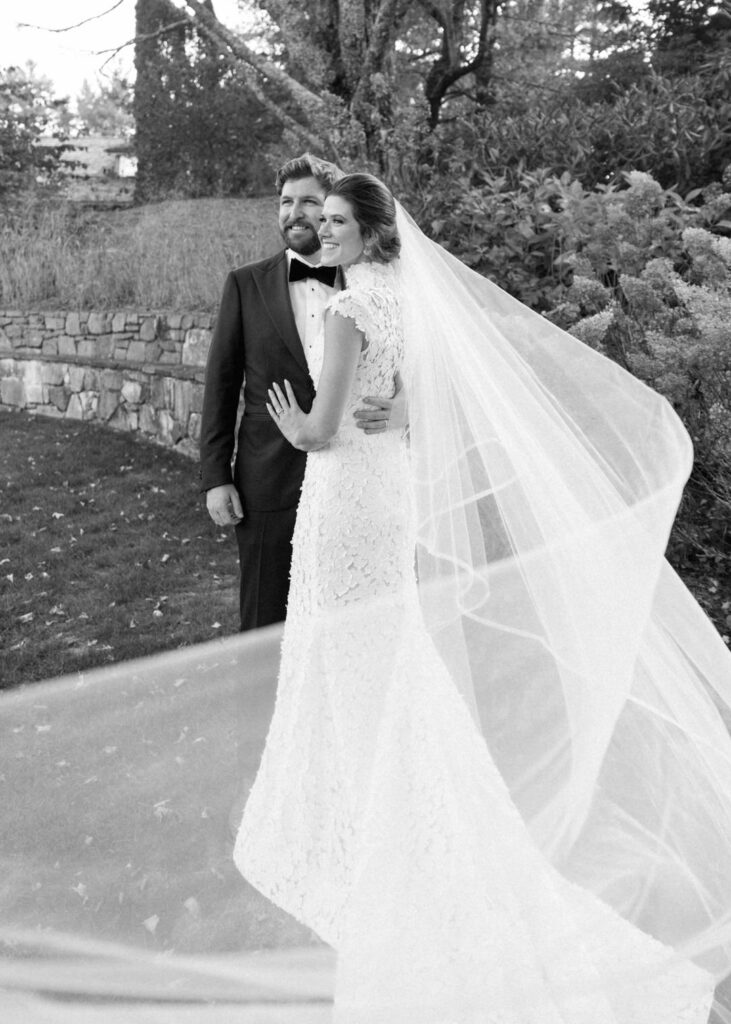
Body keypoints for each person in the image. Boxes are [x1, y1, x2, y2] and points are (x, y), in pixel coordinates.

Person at [233, 173, 731, 1022]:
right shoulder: (411, 304)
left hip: (349, 504)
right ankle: (401, 837)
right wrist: (397, 414)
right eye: (327, 220)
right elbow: (430, 405)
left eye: (343, 223)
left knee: (358, 669)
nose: (329, 232)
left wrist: (291, 425)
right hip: (387, 495)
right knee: (386, 670)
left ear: (376, 234)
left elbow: (321, 431)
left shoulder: (352, 311)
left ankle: (382, 850)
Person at [199, 154, 405, 631]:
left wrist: (404, 408)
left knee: (348, 618)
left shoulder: (369, 284)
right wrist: (215, 476)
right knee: (265, 624)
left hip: (350, 483)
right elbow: (222, 384)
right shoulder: (245, 284)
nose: (295, 213)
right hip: (268, 482)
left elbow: (408, 366)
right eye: (285, 201)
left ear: (334, 208)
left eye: (310, 202)